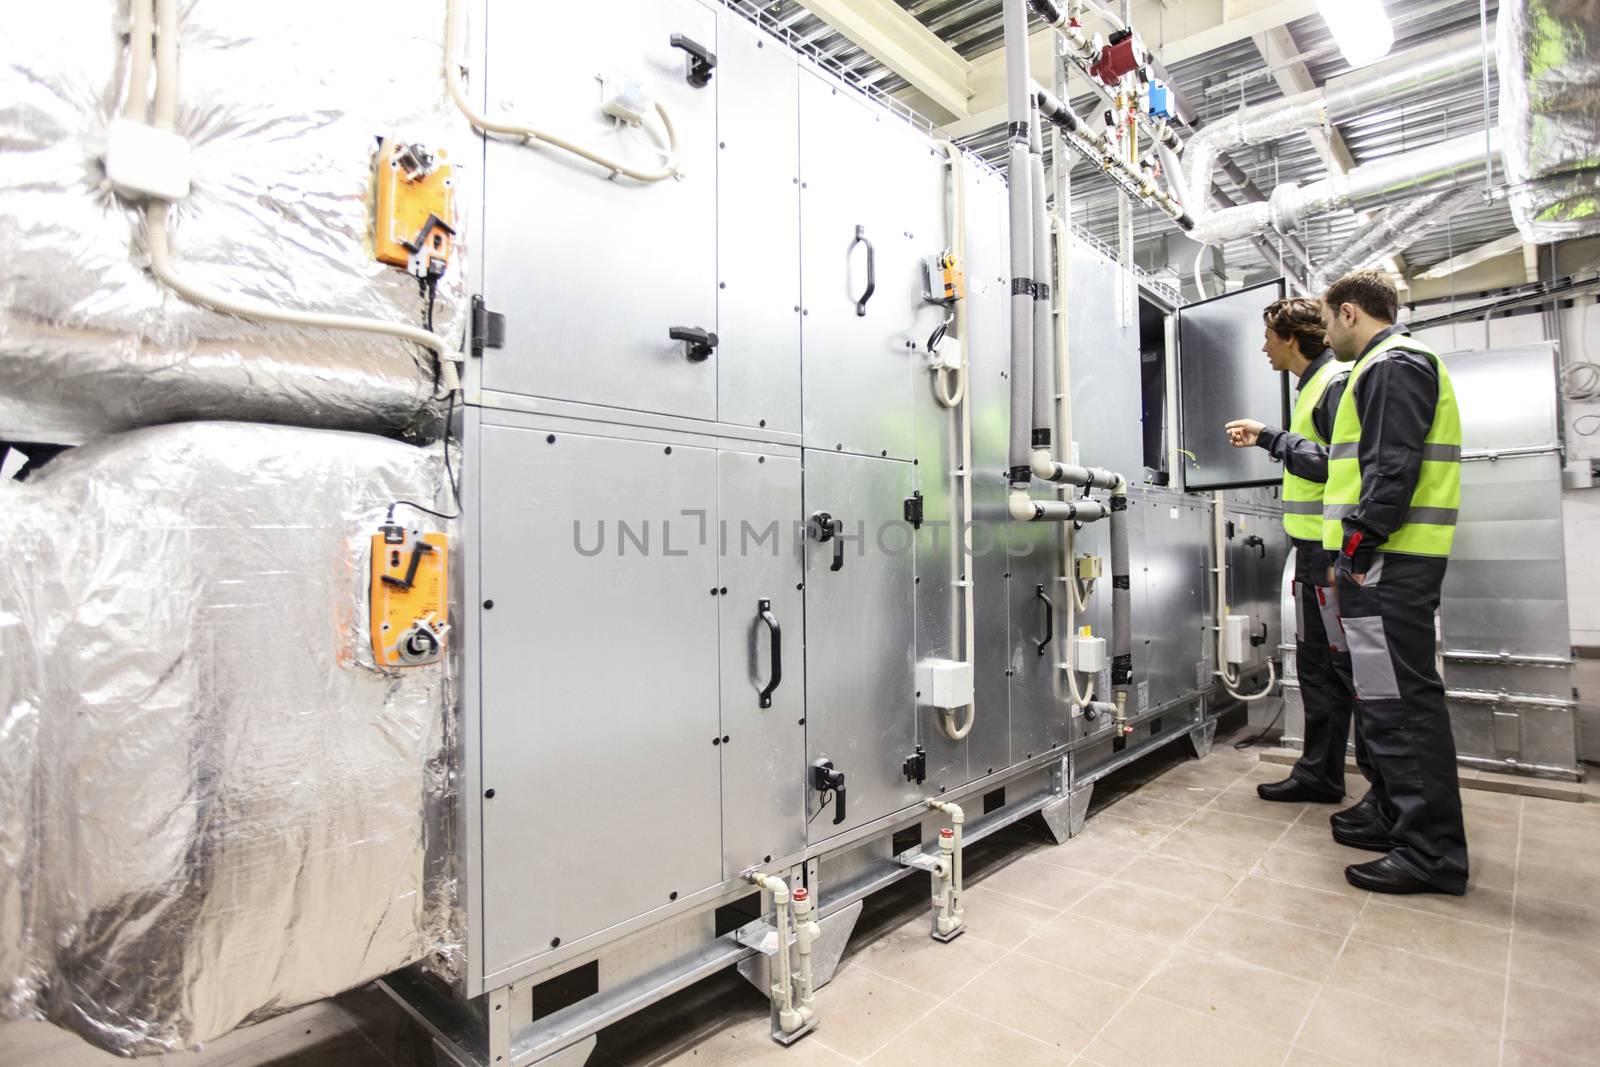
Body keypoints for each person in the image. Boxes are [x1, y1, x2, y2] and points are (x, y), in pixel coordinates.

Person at [1319, 269, 1467, 896]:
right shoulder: (1391, 364)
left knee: (1400, 704)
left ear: (1350, 312)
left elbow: (1391, 468)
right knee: (1384, 701)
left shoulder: (1394, 364)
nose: (1326, 336)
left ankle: (1430, 852)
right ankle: (1393, 813)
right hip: (1388, 560)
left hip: (1388, 560)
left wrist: (1357, 543)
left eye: (1328, 321)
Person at [1225, 298, 1362, 807]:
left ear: (1289, 338)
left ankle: (1345, 778)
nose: (1263, 347)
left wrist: (1271, 438)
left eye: (1268, 337)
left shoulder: (1332, 386)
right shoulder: (1313, 388)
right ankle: (1319, 773)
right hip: (1312, 555)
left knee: (1339, 668)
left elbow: (1337, 465)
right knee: (1316, 666)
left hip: (1329, 556)